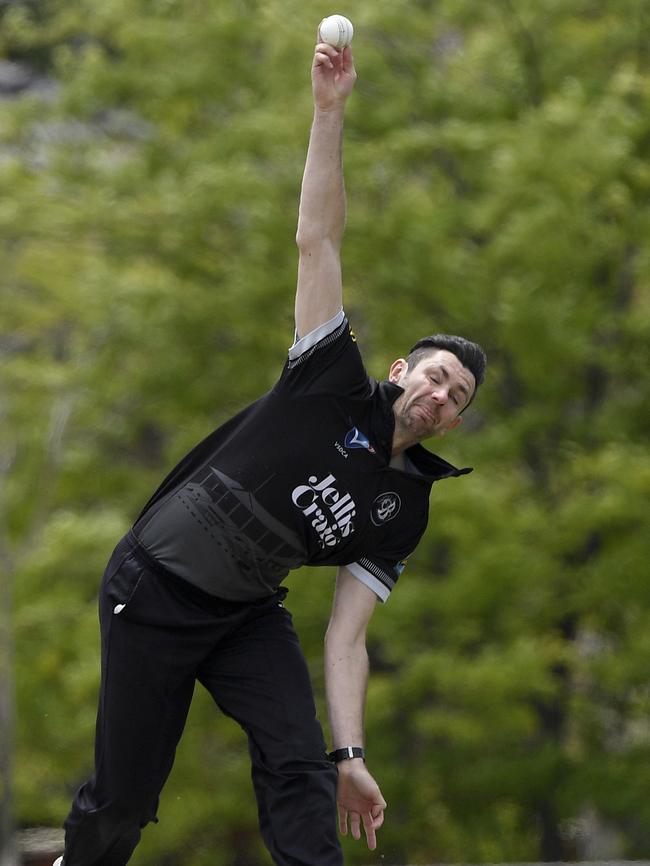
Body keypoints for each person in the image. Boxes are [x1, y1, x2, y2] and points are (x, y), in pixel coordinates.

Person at [53, 35, 486, 866]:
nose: (439, 394)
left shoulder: (403, 508)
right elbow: (317, 240)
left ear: (453, 423)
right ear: (401, 370)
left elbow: (347, 640)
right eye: (433, 376)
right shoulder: (328, 376)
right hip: (153, 591)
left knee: (300, 765)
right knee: (124, 801)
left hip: (246, 615)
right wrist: (330, 114)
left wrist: (352, 757)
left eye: (455, 397)